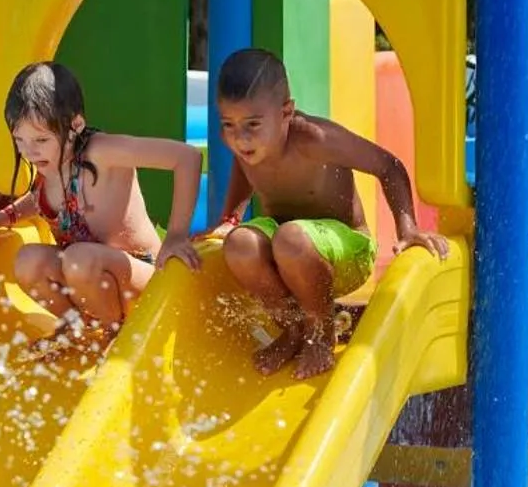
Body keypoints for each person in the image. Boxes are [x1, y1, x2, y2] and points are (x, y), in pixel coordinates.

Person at [157, 46, 448, 381]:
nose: (239, 138)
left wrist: (407, 229)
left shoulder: (314, 138)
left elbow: (388, 165)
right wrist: (231, 219)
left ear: (286, 112)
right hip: (286, 247)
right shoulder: (249, 143)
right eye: (228, 124)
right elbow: (243, 167)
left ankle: (321, 331)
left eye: (252, 124)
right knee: (240, 244)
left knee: (290, 238)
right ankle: (293, 330)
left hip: (346, 251)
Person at [0, 61, 205, 338]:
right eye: (20, 140)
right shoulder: (49, 168)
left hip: (146, 281)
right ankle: (76, 330)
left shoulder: (102, 153)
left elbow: (186, 157)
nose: (29, 152)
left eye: (40, 140)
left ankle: (112, 335)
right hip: (91, 278)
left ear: (75, 125)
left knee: (78, 259)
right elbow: (37, 201)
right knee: (28, 260)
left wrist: (177, 236)